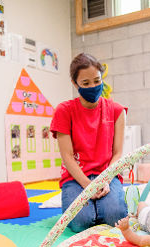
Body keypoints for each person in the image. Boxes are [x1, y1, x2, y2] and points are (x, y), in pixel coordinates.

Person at [50, 53, 127, 233]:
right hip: (76, 177)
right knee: (80, 223)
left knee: (115, 218)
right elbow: (67, 157)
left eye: (96, 80)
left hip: (107, 174)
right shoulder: (64, 111)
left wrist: (105, 180)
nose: (93, 86)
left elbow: (117, 153)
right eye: (86, 83)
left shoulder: (117, 111)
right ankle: (91, 209)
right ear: (74, 83)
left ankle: (102, 206)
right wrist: (89, 186)